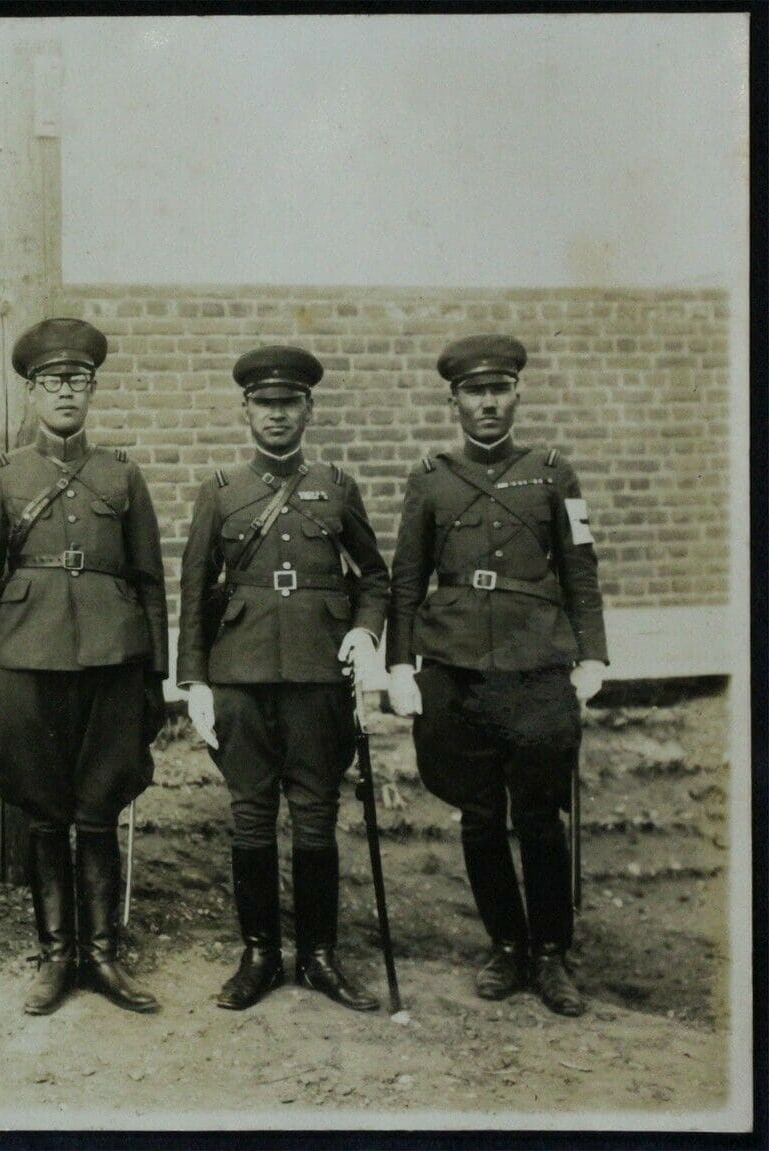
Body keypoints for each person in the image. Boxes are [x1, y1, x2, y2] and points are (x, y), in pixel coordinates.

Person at [385, 334, 608, 1017]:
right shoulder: (431, 478)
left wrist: (593, 654)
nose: (487, 401)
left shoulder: (552, 472)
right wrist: (399, 662)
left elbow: (580, 569)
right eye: (474, 391)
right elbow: (406, 577)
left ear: (517, 394)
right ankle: (506, 943)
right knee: (479, 814)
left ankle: (551, 952)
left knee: (539, 815)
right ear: (453, 400)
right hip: (454, 664)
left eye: (499, 389)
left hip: (535, 662)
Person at [0, 317, 169, 1017]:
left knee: (101, 803)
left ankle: (103, 955)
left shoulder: (121, 473)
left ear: (92, 389)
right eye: (52, 382)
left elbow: (149, 579)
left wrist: (156, 674)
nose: (65, 393)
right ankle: (57, 957)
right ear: (30, 392)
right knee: (46, 811)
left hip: (113, 656)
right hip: (27, 656)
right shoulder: (4, 476)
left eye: (78, 381)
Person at [176, 346, 390, 1013]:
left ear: (308, 409)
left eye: (288, 403)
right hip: (239, 673)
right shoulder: (220, 491)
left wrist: (365, 630)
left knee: (317, 813)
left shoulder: (336, 485)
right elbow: (191, 592)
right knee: (250, 814)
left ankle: (320, 955)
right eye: (264, 404)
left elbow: (374, 575)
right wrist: (195, 682)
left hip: (319, 674)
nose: (276, 415)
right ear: (246, 410)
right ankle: (261, 953)